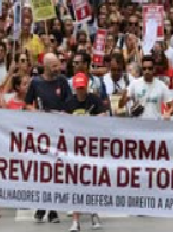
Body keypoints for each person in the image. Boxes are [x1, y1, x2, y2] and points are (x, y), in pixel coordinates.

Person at [25, 53, 70, 223]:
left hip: (58, 133)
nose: (58, 69)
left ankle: (52, 210)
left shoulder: (62, 81)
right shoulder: (36, 83)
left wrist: (63, 113)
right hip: (41, 133)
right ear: (45, 66)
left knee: (56, 171)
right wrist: (35, 112)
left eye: (58, 65)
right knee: (43, 171)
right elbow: (27, 104)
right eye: (54, 66)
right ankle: (43, 205)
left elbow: (69, 101)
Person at [65, 73, 106, 231]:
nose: (81, 90)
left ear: (87, 86)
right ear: (75, 87)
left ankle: (94, 215)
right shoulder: (70, 102)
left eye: (83, 87)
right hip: (75, 149)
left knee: (93, 182)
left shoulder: (94, 100)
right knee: (76, 183)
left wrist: (92, 117)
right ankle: (76, 220)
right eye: (78, 87)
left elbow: (103, 115)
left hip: (92, 148)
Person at [119, 55, 171, 119]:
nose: (147, 71)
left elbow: (172, 106)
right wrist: (123, 98)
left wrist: (168, 112)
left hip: (155, 125)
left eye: (150, 68)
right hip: (138, 125)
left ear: (154, 69)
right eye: (144, 68)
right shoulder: (134, 83)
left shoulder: (162, 85)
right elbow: (121, 105)